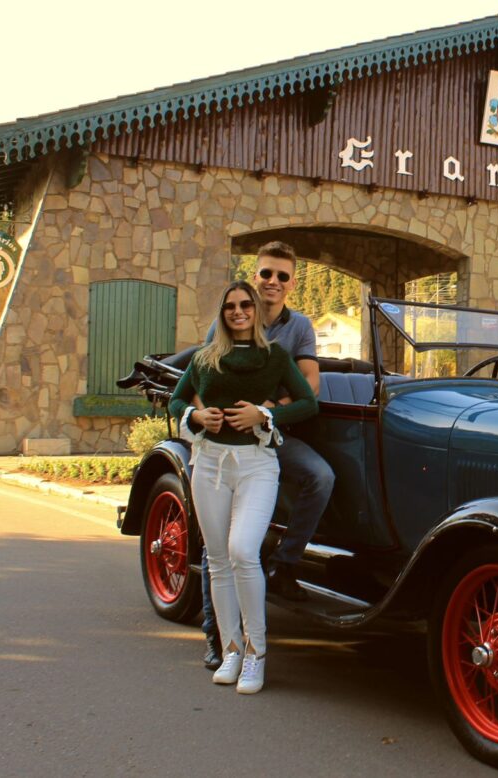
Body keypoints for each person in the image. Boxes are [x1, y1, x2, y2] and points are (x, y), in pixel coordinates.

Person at [171, 280, 317, 693]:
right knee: (218, 559)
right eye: (231, 306)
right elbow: (176, 402)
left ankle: (256, 653)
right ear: (222, 312)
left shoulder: (274, 357)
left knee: (242, 551)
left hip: (257, 465)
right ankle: (231, 648)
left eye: (245, 305)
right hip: (210, 465)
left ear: (255, 310)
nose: (238, 312)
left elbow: (308, 402)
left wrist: (264, 415)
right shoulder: (205, 358)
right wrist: (197, 419)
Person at [199, 241, 335, 670]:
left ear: (291, 284)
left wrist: (270, 411)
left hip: (271, 436)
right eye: (265, 274)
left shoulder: (297, 330)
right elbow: (202, 378)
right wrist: (208, 417)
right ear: (253, 277)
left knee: (321, 476)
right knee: (218, 543)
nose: (272, 282)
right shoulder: (229, 318)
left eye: (281, 276)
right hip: (223, 441)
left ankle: (285, 564)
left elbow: (309, 383)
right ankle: (215, 634)